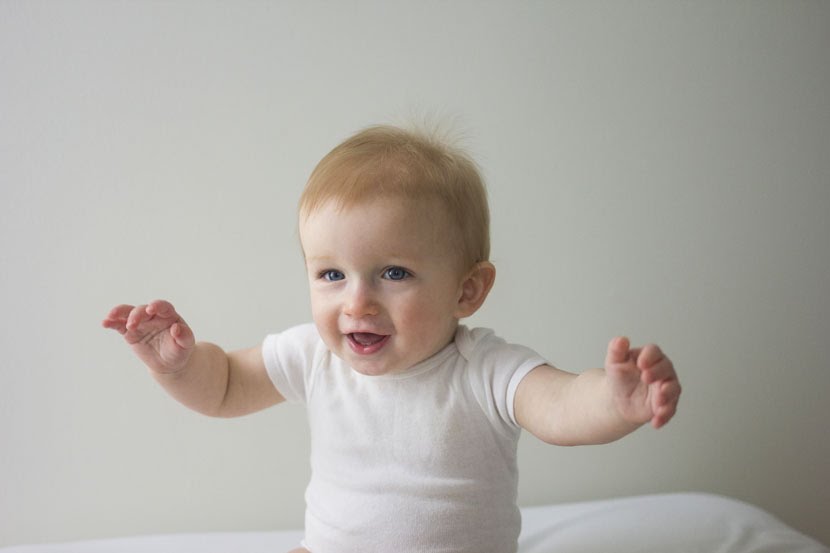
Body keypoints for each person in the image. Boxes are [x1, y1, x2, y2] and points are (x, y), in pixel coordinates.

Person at [102, 124, 681, 553]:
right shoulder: (314, 355)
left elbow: (559, 405)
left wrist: (612, 400)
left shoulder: (483, 369)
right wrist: (177, 367)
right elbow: (227, 385)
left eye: (394, 273)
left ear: (467, 290)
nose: (357, 303)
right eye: (332, 274)